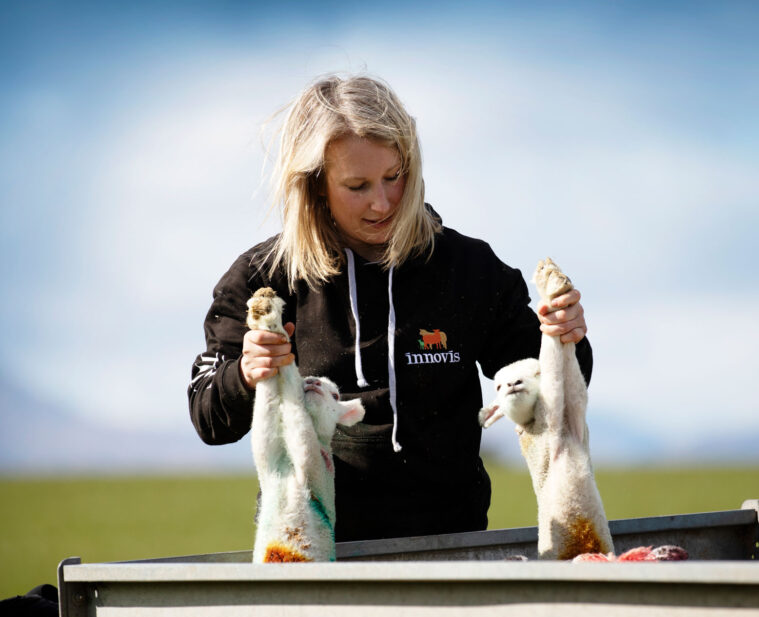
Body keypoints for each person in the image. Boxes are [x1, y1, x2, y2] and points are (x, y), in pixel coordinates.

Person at [188, 75, 592, 542]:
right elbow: (209, 417)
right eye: (357, 185)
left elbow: (554, 388)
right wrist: (246, 373)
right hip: (312, 554)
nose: (382, 203)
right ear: (316, 184)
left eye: (393, 177)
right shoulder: (265, 278)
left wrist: (564, 340)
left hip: (453, 548)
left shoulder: (469, 268)